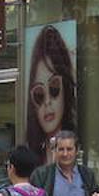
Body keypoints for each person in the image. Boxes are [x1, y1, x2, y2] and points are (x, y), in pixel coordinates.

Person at [25, 25, 78, 162]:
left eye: (54, 88)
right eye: (39, 95)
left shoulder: (80, 164)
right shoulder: (32, 161)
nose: (47, 101)